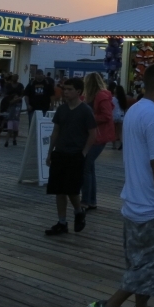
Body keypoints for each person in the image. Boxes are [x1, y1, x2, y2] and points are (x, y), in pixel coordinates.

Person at [88, 63, 154, 307]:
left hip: (132, 203)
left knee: (138, 263)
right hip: (151, 206)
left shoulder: (135, 110)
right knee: (150, 266)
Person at [44, 78, 97, 236]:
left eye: (69, 89)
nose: (65, 92)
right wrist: (49, 153)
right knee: (59, 190)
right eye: (64, 89)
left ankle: (78, 211)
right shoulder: (62, 110)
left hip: (75, 154)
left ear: (78, 92)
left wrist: (84, 152)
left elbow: (92, 134)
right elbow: (56, 132)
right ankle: (62, 222)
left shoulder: (85, 111)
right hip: (60, 153)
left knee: (72, 190)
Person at [82, 73, 116, 211]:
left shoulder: (100, 96)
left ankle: (85, 200)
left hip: (99, 136)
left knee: (86, 167)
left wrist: (88, 118)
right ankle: (91, 200)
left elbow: (107, 116)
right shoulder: (97, 96)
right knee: (89, 168)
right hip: (95, 136)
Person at [0, 82, 22, 147]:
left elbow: (20, 110)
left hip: (16, 119)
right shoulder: (11, 103)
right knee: (9, 130)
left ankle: (14, 139)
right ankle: (6, 142)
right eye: (15, 97)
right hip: (11, 119)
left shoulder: (19, 104)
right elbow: (11, 102)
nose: (16, 99)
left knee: (15, 131)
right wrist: (18, 98)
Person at [112, 83, 129, 149]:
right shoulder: (123, 99)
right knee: (120, 132)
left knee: (113, 131)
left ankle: (114, 145)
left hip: (114, 115)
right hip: (121, 116)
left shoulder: (112, 99)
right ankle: (122, 143)